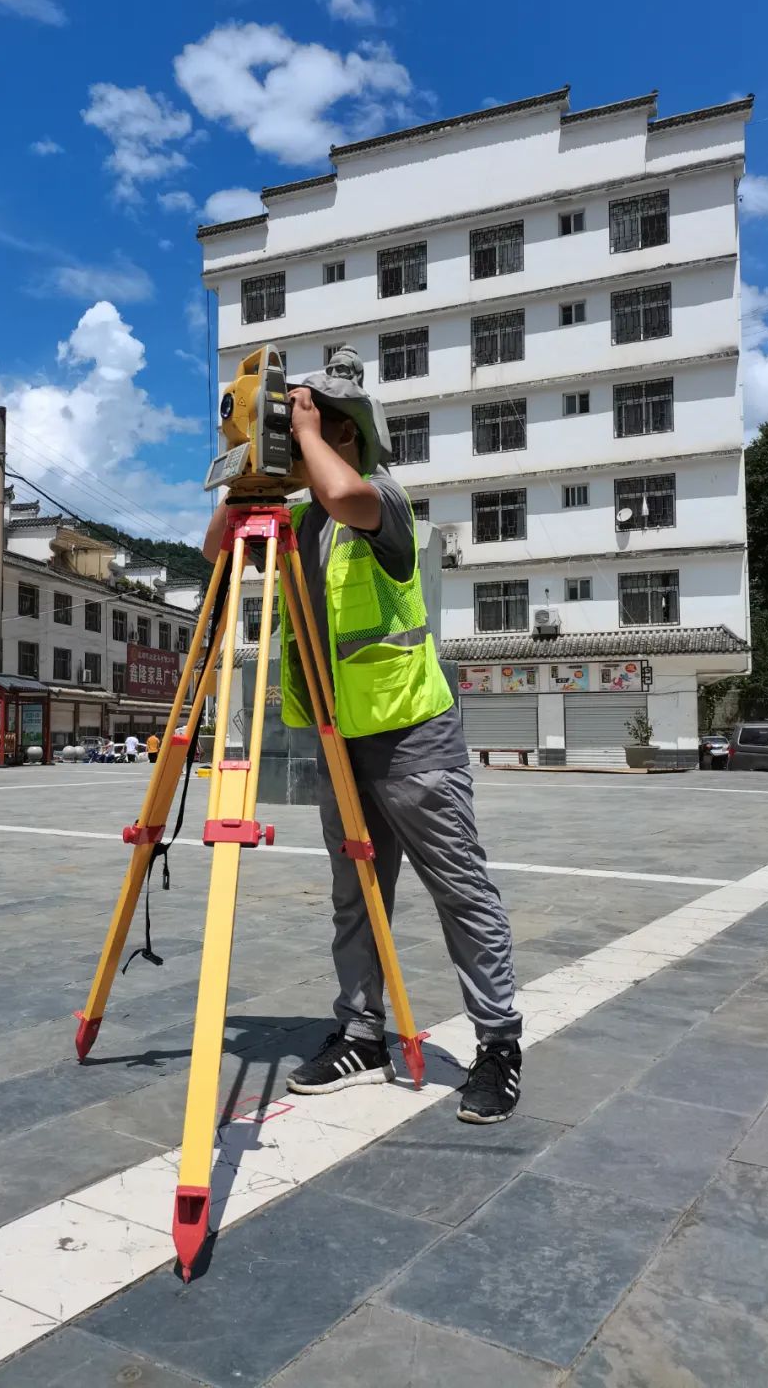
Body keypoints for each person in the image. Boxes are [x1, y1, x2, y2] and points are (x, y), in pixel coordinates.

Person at [202, 348, 522, 1125]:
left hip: (415, 734)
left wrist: (306, 429)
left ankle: (499, 1042)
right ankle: (361, 1031)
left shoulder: (380, 501)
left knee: (459, 889)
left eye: (307, 423)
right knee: (355, 895)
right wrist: (250, 472)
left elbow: (343, 489)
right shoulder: (299, 520)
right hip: (341, 742)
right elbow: (216, 550)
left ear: (340, 432)